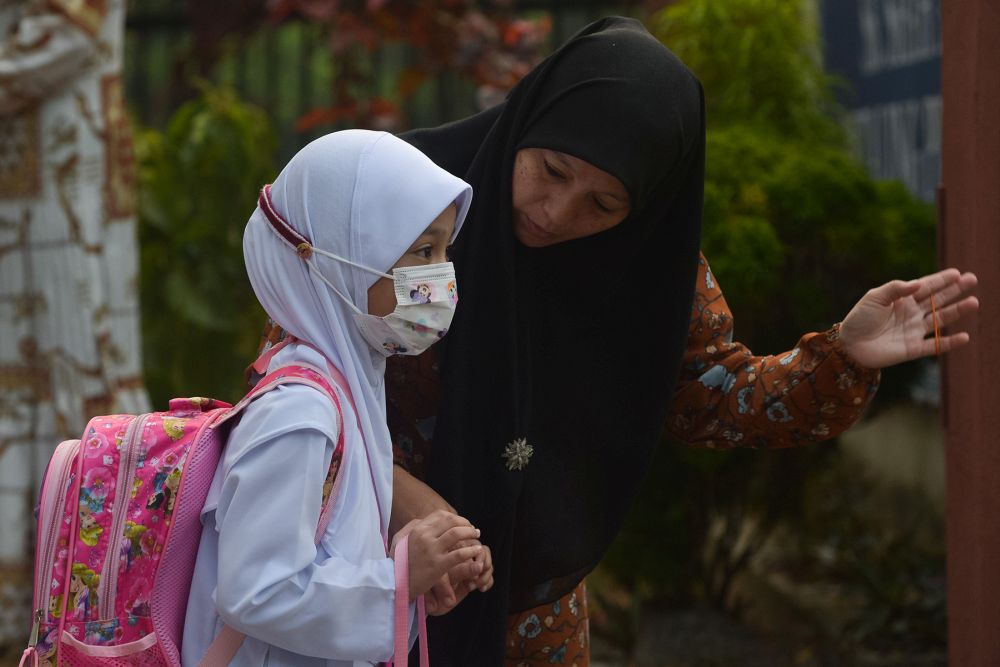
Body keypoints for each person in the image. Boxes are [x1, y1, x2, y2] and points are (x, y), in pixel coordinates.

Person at [256, 17, 979, 666]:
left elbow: (713, 398)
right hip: (369, 587)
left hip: (538, 615)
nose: (555, 211)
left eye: (602, 204)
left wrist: (841, 357)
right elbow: (300, 375)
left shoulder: (648, 270)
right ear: (530, 120)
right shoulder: (408, 207)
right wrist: (403, 494)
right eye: (552, 170)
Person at [181, 130, 494, 667]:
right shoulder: (300, 412)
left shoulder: (347, 390)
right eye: (422, 251)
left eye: (444, 249)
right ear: (336, 260)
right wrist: (396, 581)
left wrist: (415, 583)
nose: (441, 275)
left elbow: (328, 563)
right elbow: (256, 590)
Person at [0, 0, 147, 644]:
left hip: (61, 175)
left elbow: (70, 29)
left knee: (70, 363)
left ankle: (79, 594)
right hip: (23, 173)